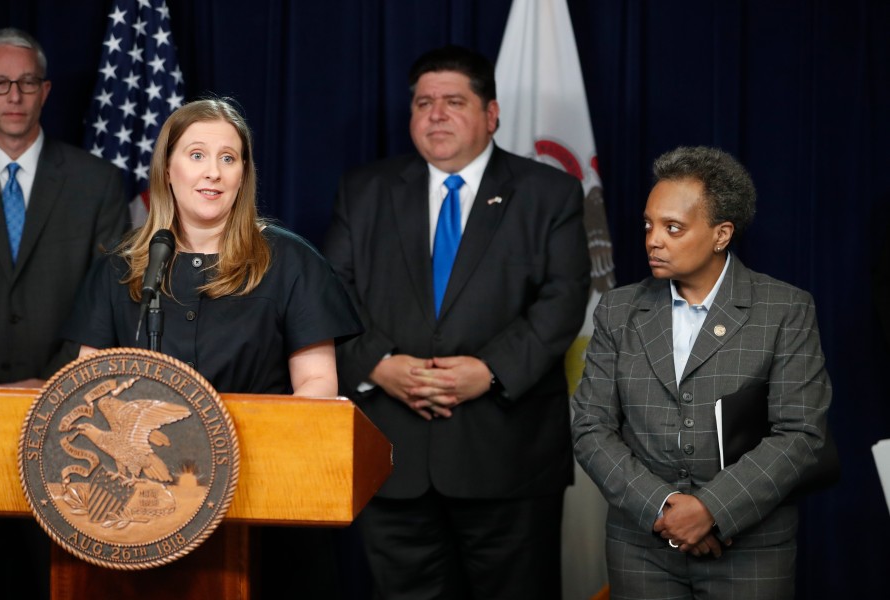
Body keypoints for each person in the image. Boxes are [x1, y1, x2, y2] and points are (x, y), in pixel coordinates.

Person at [61, 97, 362, 596]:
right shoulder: (120, 269)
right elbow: (85, 387)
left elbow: (317, 388)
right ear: (168, 169)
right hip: (144, 517)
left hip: (265, 502)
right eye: (197, 154)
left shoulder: (289, 262)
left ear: (244, 174)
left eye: (229, 158)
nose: (213, 172)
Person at [323, 45, 591, 599]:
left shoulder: (550, 194)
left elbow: (563, 301)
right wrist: (380, 365)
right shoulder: (365, 191)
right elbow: (333, 295)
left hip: (507, 457)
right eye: (423, 103)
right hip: (391, 459)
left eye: (453, 101)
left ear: (491, 115)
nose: (436, 115)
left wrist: (489, 371)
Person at [571, 146, 832, 599]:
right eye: (649, 225)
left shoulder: (785, 308)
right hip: (642, 547)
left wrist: (711, 509)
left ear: (721, 234)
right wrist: (665, 507)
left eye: (673, 228)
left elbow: (801, 433)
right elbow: (591, 427)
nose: (654, 239)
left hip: (751, 548)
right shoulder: (618, 310)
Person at [0, 27, 127, 387]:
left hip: (64, 398)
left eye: (28, 82)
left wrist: (55, 383)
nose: (14, 96)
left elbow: (110, 303)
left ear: (45, 91)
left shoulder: (98, 183)